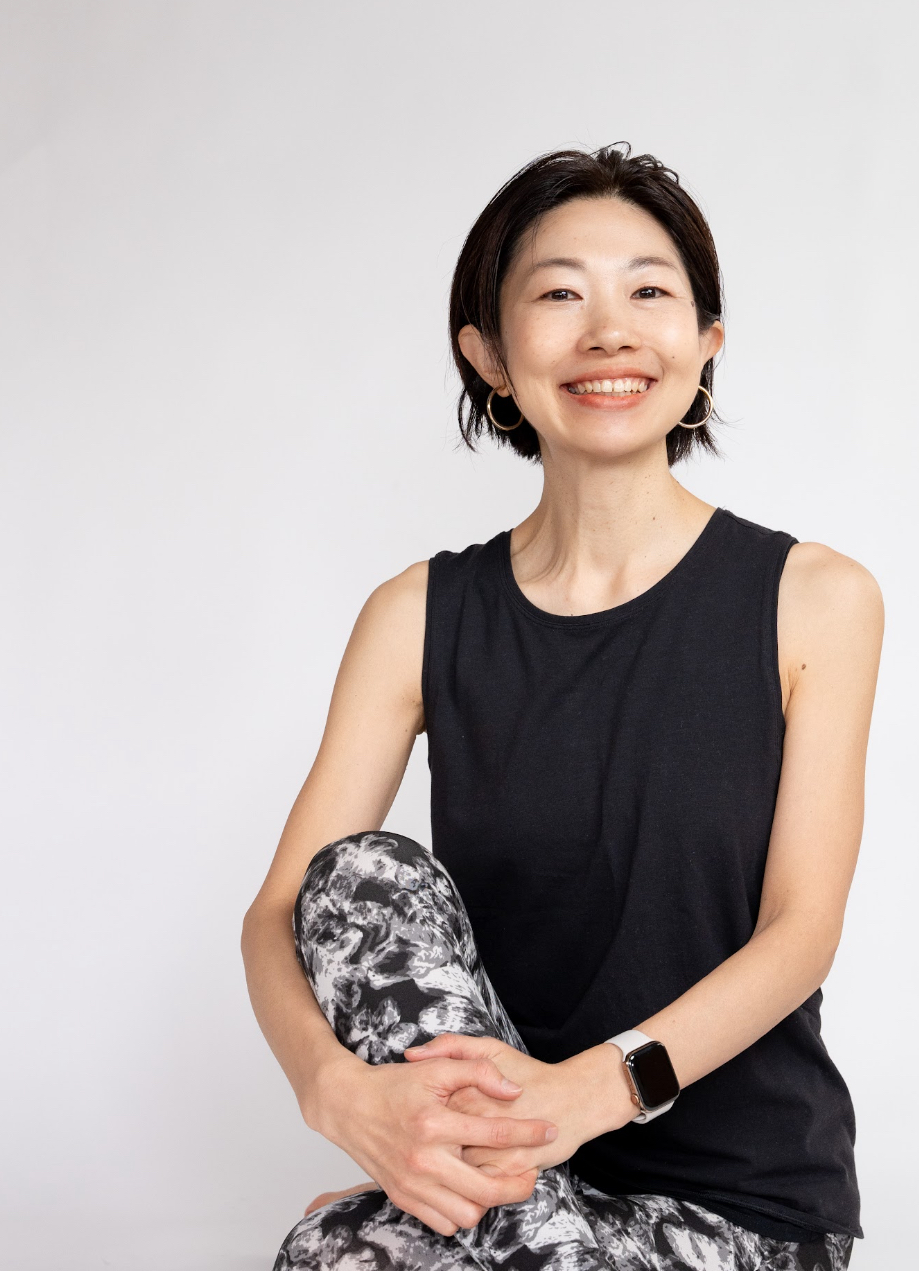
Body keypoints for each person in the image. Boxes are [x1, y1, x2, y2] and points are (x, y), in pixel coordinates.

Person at [241, 144, 884, 1271]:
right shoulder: (417, 614)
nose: (610, 332)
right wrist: (336, 1090)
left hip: (744, 1213)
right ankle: (511, 1227)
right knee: (358, 877)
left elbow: (802, 932)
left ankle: (485, 1228)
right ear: (488, 355)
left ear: (707, 342)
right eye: (558, 295)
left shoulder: (815, 599)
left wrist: (578, 1098)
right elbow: (279, 915)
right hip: (523, 1178)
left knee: (333, 1248)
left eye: (649, 291)